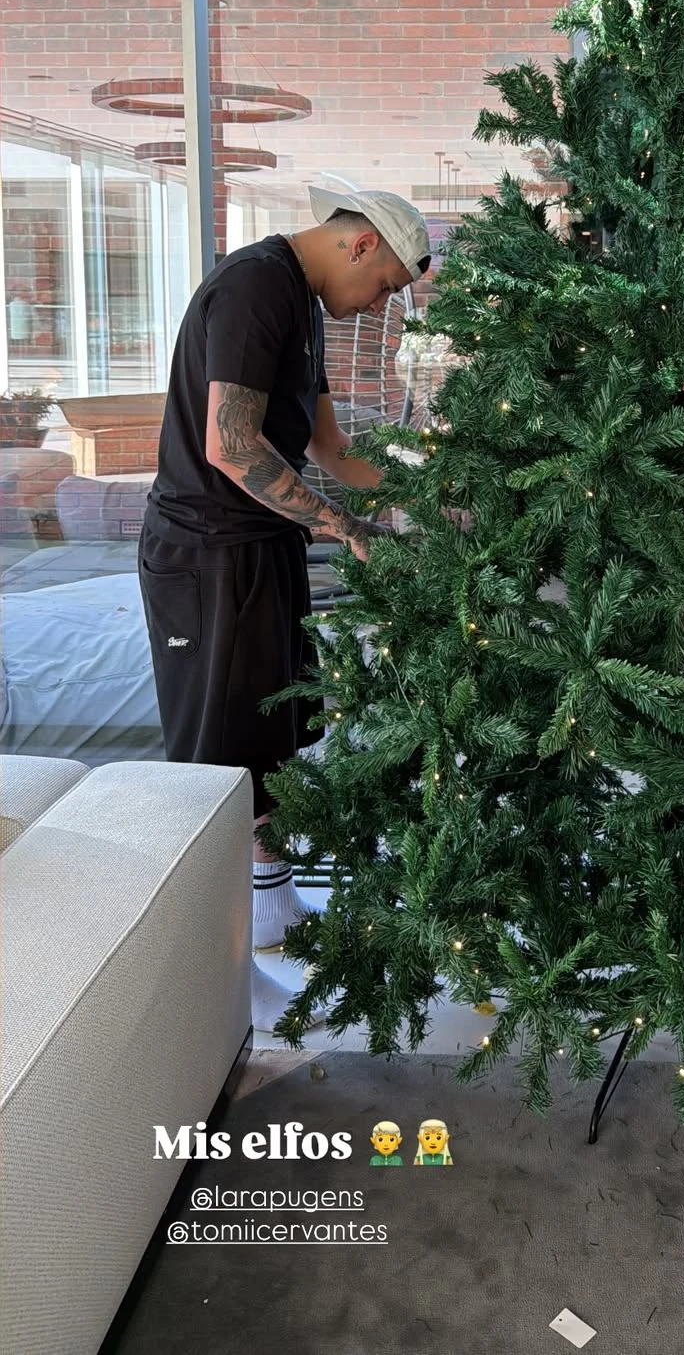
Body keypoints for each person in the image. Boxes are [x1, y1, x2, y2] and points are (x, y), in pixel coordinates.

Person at [139, 181, 431, 1032]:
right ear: (361, 245)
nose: (374, 305)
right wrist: (345, 529)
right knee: (213, 756)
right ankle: (190, 969)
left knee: (276, 735)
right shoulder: (255, 287)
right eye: (382, 289)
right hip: (207, 557)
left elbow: (331, 447)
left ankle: (266, 908)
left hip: (264, 549)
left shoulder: (303, 307)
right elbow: (229, 445)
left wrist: (428, 497)